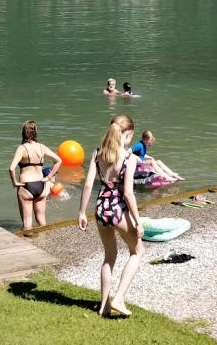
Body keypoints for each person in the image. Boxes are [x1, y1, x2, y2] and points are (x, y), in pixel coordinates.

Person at [77, 114, 143, 318]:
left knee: (109, 256)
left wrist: (81, 212)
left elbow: (88, 184)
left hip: (100, 209)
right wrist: (138, 221)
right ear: (128, 133)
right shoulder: (129, 159)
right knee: (137, 251)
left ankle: (104, 306)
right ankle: (119, 299)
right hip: (118, 209)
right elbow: (128, 193)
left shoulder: (98, 154)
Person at [9, 120, 63, 230]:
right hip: (41, 185)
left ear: (23, 132)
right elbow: (58, 161)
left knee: (27, 223)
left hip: (26, 186)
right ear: (35, 133)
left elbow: (11, 168)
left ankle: (28, 244)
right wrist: (48, 177)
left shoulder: (22, 148)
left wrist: (14, 182)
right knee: (42, 221)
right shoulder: (41, 147)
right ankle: (44, 243)